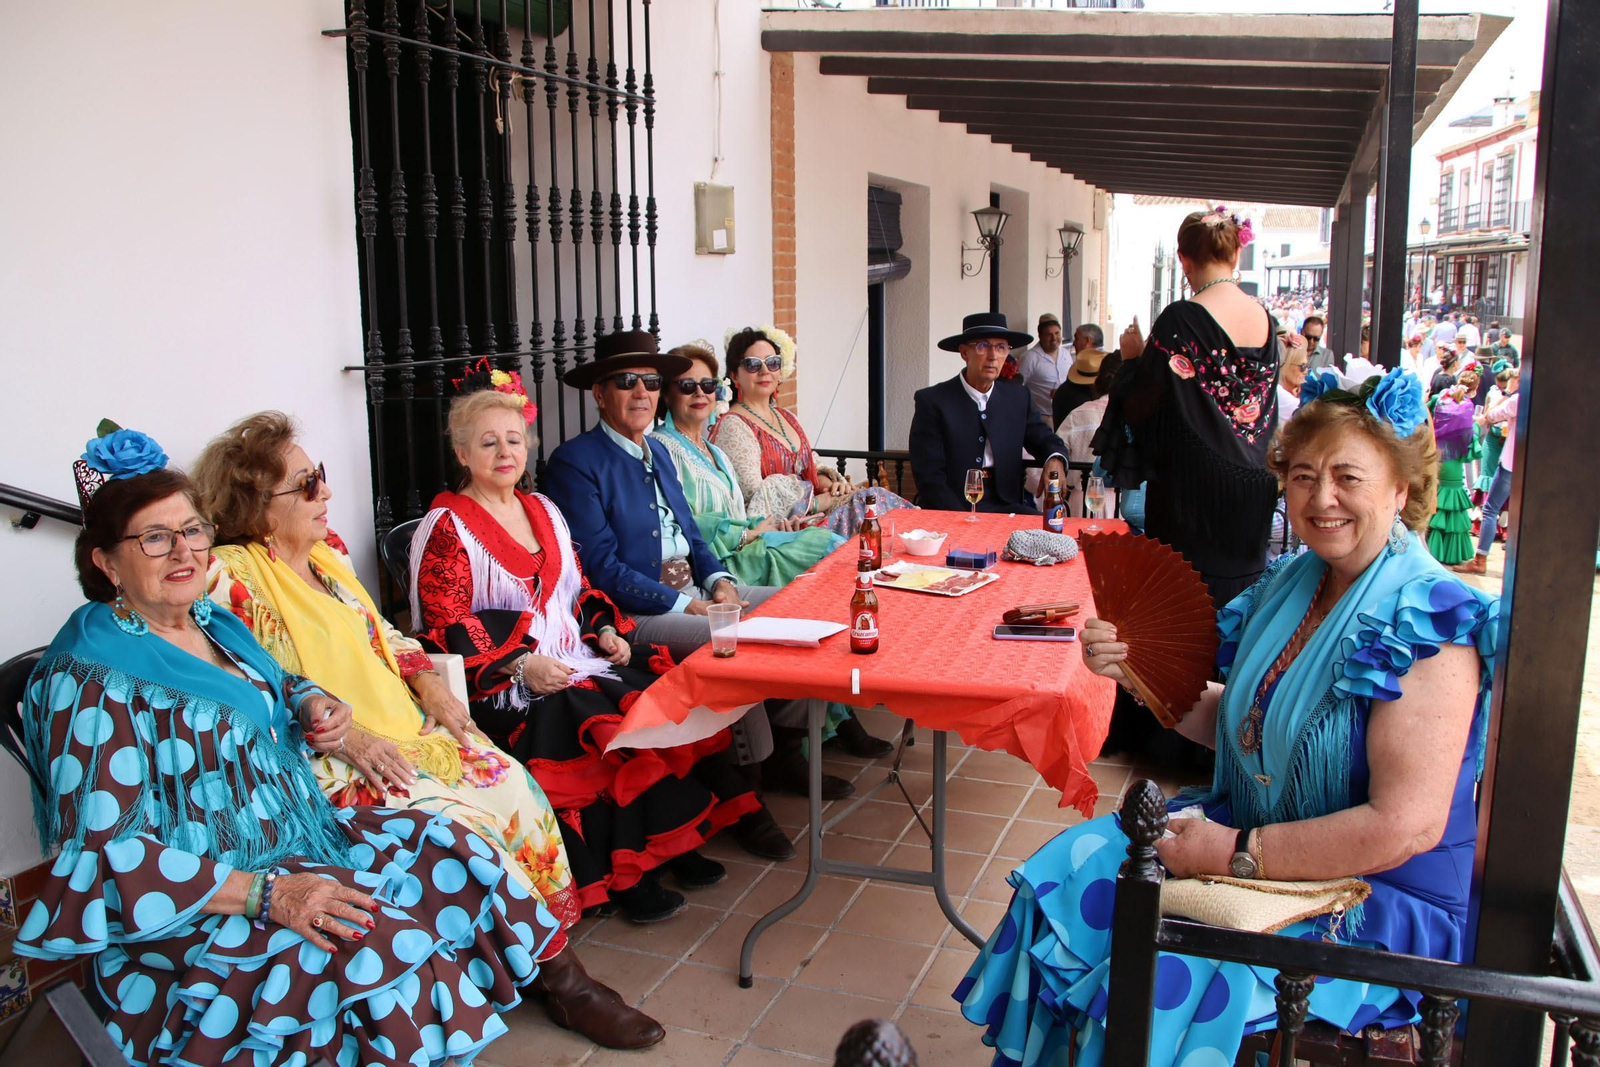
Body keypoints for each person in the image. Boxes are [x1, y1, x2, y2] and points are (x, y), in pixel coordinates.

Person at [958, 369, 1500, 1067]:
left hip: (1374, 900)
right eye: (1302, 475)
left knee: (1167, 969)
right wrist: (1135, 672)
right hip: (1260, 842)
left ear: (1401, 487)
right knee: (1064, 874)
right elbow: (1243, 727)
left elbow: (1405, 826)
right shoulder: (1295, 582)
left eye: (1347, 477)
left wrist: (1232, 850)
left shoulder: (1429, 619)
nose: (1321, 497)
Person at [16, 426, 571, 1066]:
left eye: (192, 530)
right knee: (369, 937)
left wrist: (308, 701)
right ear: (106, 562)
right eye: (154, 538)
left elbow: (276, 679)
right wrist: (268, 895)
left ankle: (548, 992)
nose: (184, 551)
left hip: (292, 834)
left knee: (455, 853)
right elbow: (101, 856)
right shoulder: (86, 677)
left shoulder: (208, 619)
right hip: (197, 897)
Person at [192, 411, 663, 1048]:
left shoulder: (326, 559)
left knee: (513, 790)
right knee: (462, 825)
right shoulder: (231, 575)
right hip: (338, 756)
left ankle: (533, 956)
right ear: (256, 504)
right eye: (306, 485)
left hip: (407, 727)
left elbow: (382, 632)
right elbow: (253, 681)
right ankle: (564, 984)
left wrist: (428, 681)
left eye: (321, 477)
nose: (327, 493)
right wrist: (352, 738)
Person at [411, 367, 793, 921]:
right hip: (504, 682)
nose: (504, 453)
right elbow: (443, 625)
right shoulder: (448, 526)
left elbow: (581, 588)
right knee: (594, 712)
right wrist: (520, 665)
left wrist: (606, 630)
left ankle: (668, 846)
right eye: (488, 443)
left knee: (657, 693)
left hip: (572, 657)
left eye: (514, 440)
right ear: (462, 453)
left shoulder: (541, 509)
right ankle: (623, 873)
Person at [541, 329, 856, 806]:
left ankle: (787, 754)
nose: (641, 392)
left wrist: (721, 582)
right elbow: (601, 568)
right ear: (600, 394)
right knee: (734, 638)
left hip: (694, 590)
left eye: (650, 381)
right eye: (626, 381)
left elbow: (690, 535)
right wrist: (689, 604)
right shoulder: (577, 462)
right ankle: (745, 785)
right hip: (638, 610)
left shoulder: (658, 452)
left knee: (805, 614)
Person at [650, 344, 892, 762]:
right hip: (719, 561)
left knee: (838, 562)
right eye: (687, 385)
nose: (699, 393)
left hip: (751, 542)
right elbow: (686, 523)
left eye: (707, 384)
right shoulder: (662, 448)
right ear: (668, 394)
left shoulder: (713, 449)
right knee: (827, 560)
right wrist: (749, 533)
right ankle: (803, 735)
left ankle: (835, 708)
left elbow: (743, 510)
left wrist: (777, 525)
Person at [1095, 207, 1280, 608]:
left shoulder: (1180, 317)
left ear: (1183, 259)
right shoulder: (1266, 321)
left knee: (1186, 618)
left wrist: (1131, 360)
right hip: (1253, 491)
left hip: (1192, 497)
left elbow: (1144, 408)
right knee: (1239, 615)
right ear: (1235, 255)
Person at [712, 325, 913, 539]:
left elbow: (811, 463)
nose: (765, 371)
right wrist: (815, 502)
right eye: (753, 365)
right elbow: (752, 495)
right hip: (784, 529)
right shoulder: (734, 425)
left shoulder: (787, 417)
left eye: (772, 363)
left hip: (815, 514)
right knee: (868, 506)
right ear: (734, 374)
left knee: (874, 500)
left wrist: (830, 485)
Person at [910, 312, 1069, 514]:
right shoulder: (933, 401)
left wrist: (1054, 459)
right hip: (952, 508)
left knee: (1051, 537)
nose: (993, 356)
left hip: (1006, 506)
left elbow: (1044, 438)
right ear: (965, 352)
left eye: (1001, 347)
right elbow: (929, 477)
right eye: (983, 346)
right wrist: (960, 519)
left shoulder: (1018, 398)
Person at [1455, 366, 1520, 576]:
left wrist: (1509, 393)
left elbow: (1490, 415)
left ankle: (1480, 559)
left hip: (1511, 464)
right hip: (1531, 467)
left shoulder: (1516, 400)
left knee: (1491, 509)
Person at [1425, 368, 1480, 566]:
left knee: (1436, 503)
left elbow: (1426, 414)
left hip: (1437, 460)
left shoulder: (1440, 400)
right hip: (1455, 465)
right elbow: (1471, 447)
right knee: (1453, 507)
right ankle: (1450, 554)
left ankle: (1429, 550)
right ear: (1475, 389)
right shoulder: (1468, 409)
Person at [1050, 324, 1109, 427]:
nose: (1073, 343)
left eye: (1076, 338)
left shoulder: (1102, 366)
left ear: (1087, 341)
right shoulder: (1113, 362)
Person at [1017, 312, 1070, 420]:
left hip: (1065, 415)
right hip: (1043, 417)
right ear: (1040, 336)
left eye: (1057, 333)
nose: (1054, 338)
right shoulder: (1029, 358)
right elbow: (1018, 388)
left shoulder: (1066, 354)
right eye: (1049, 334)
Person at [1277, 335, 1311, 421]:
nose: (1306, 370)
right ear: (1287, 365)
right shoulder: (1283, 397)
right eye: (1303, 366)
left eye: (1307, 366)